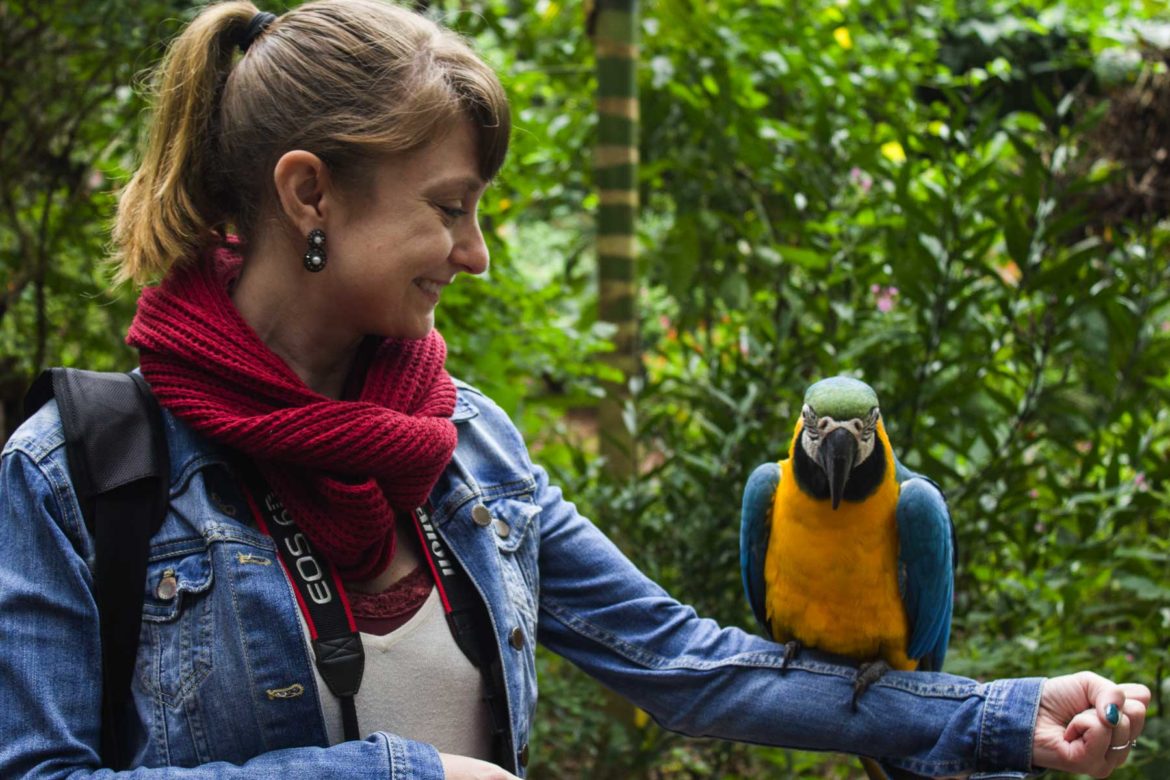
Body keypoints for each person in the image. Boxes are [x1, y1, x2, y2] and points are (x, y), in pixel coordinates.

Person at [0, 1, 1150, 778]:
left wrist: (1003, 714)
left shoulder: (470, 449)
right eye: (448, 207)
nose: (477, 250)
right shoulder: (74, 479)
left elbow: (682, 663)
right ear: (309, 195)